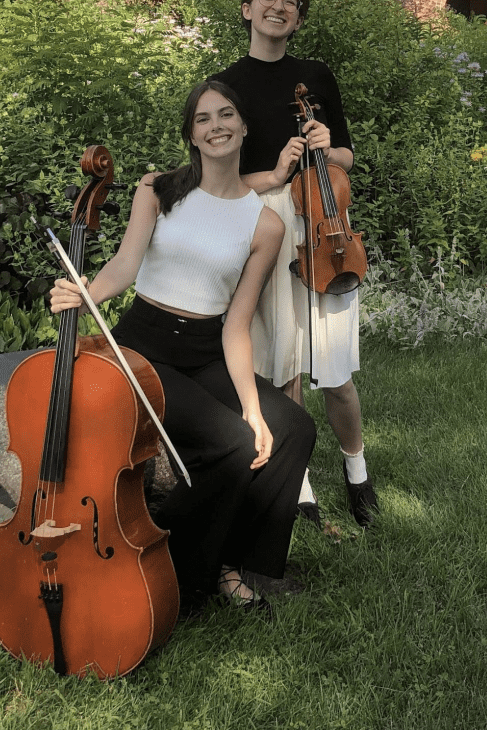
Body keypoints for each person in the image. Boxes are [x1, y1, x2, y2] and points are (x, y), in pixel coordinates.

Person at [50, 79, 316, 612]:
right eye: (203, 119)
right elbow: (125, 265)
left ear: (243, 127)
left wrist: (251, 404)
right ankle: (175, 565)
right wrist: (84, 293)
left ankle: (239, 564)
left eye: (225, 115)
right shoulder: (159, 188)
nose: (215, 126)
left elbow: (236, 323)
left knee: (291, 427)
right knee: (232, 446)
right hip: (143, 346)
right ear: (191, 135)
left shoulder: (264, 224)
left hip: (206, 349)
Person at [214, 0, 379, 528]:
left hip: (326, 224)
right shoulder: (226, 86)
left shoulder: (318, 76)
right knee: (284, 363)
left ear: (299, 18)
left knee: (335, 369)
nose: (278, 7)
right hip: (270, 224)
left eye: (290, 1)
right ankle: (300, 484)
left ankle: (357, 475)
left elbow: (349, 160)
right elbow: (223, 181)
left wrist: (328, 147)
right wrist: (276, 173)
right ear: (247, 7)